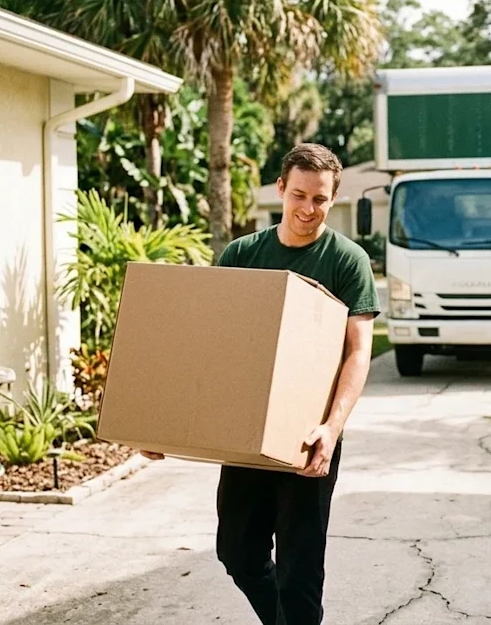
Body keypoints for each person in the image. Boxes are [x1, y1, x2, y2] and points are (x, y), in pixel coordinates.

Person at [140, 143, 380, 625]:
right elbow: (211, 349)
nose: (308, 209)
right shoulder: (243, 254)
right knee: (238, 553)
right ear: (280, 190)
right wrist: (160, 428)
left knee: (300, 571)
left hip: (309, 437)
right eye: (299, 195)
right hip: (245, 435)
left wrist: (331, 429)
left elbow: (358, 351)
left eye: (320, 199)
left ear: (332, 199)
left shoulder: (347, 261)